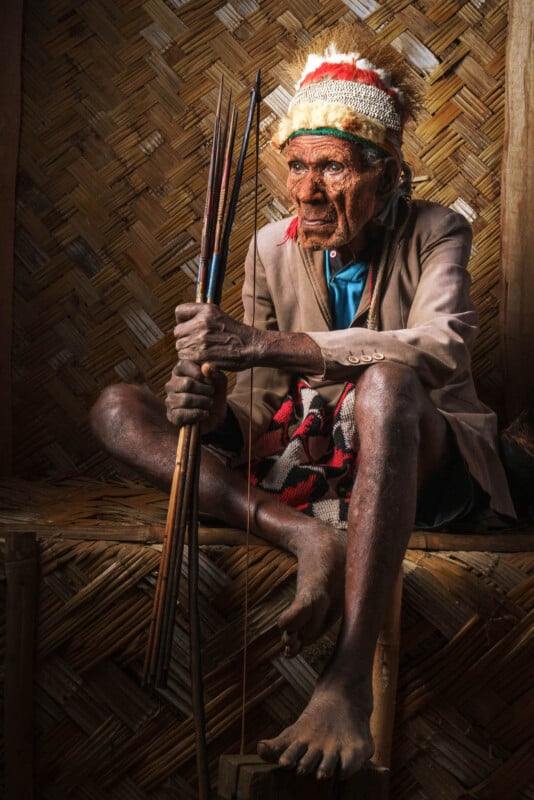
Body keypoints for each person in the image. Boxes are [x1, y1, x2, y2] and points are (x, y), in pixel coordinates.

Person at [90, 23, 516, 781]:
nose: (307, 191)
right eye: (295, 166)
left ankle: (347, 680)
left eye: (333, 168)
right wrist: (211, 404)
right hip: (313, 466)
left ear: (385, 172)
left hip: (424, 457)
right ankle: (302, 538)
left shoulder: (436, 230)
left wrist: (266, 346)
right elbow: (255, 415)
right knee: (118, 408)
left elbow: (442, 347)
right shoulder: (266, 248)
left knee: (385, 385)